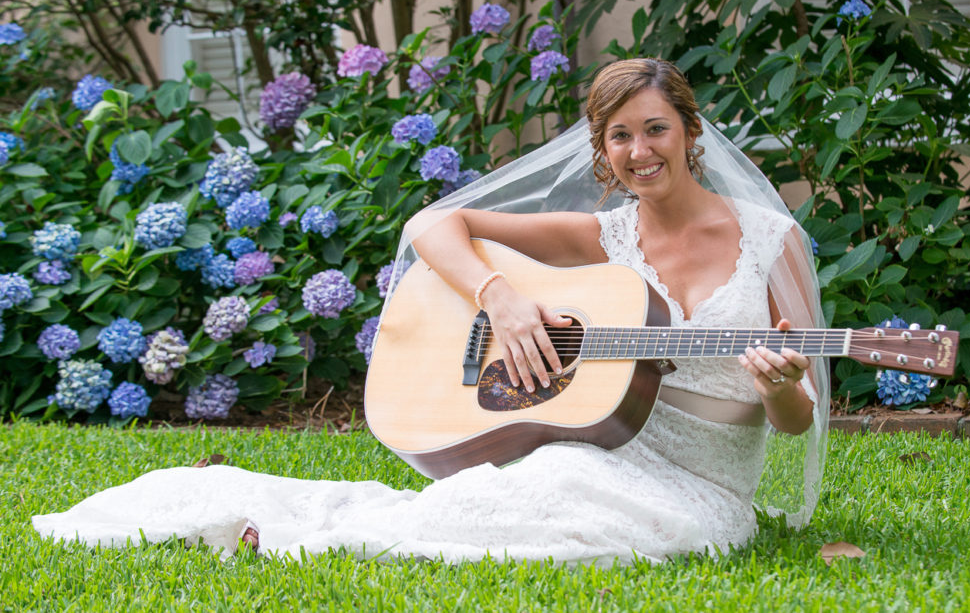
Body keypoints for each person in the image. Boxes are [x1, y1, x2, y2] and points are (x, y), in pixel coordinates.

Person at [32, 58, 828, 565]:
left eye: (655, 128)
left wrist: (779, 385)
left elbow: (796, 421)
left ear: (691, 132)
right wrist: (505, 300)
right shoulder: (601, 234)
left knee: (563, 533)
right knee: (512, 497)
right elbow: (430, 225)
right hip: (605, 450)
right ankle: (283, 531)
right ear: (602, 153)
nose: (639, 149)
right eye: (618, 135)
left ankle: (303, 542)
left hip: (703, 485)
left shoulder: (771, 238)